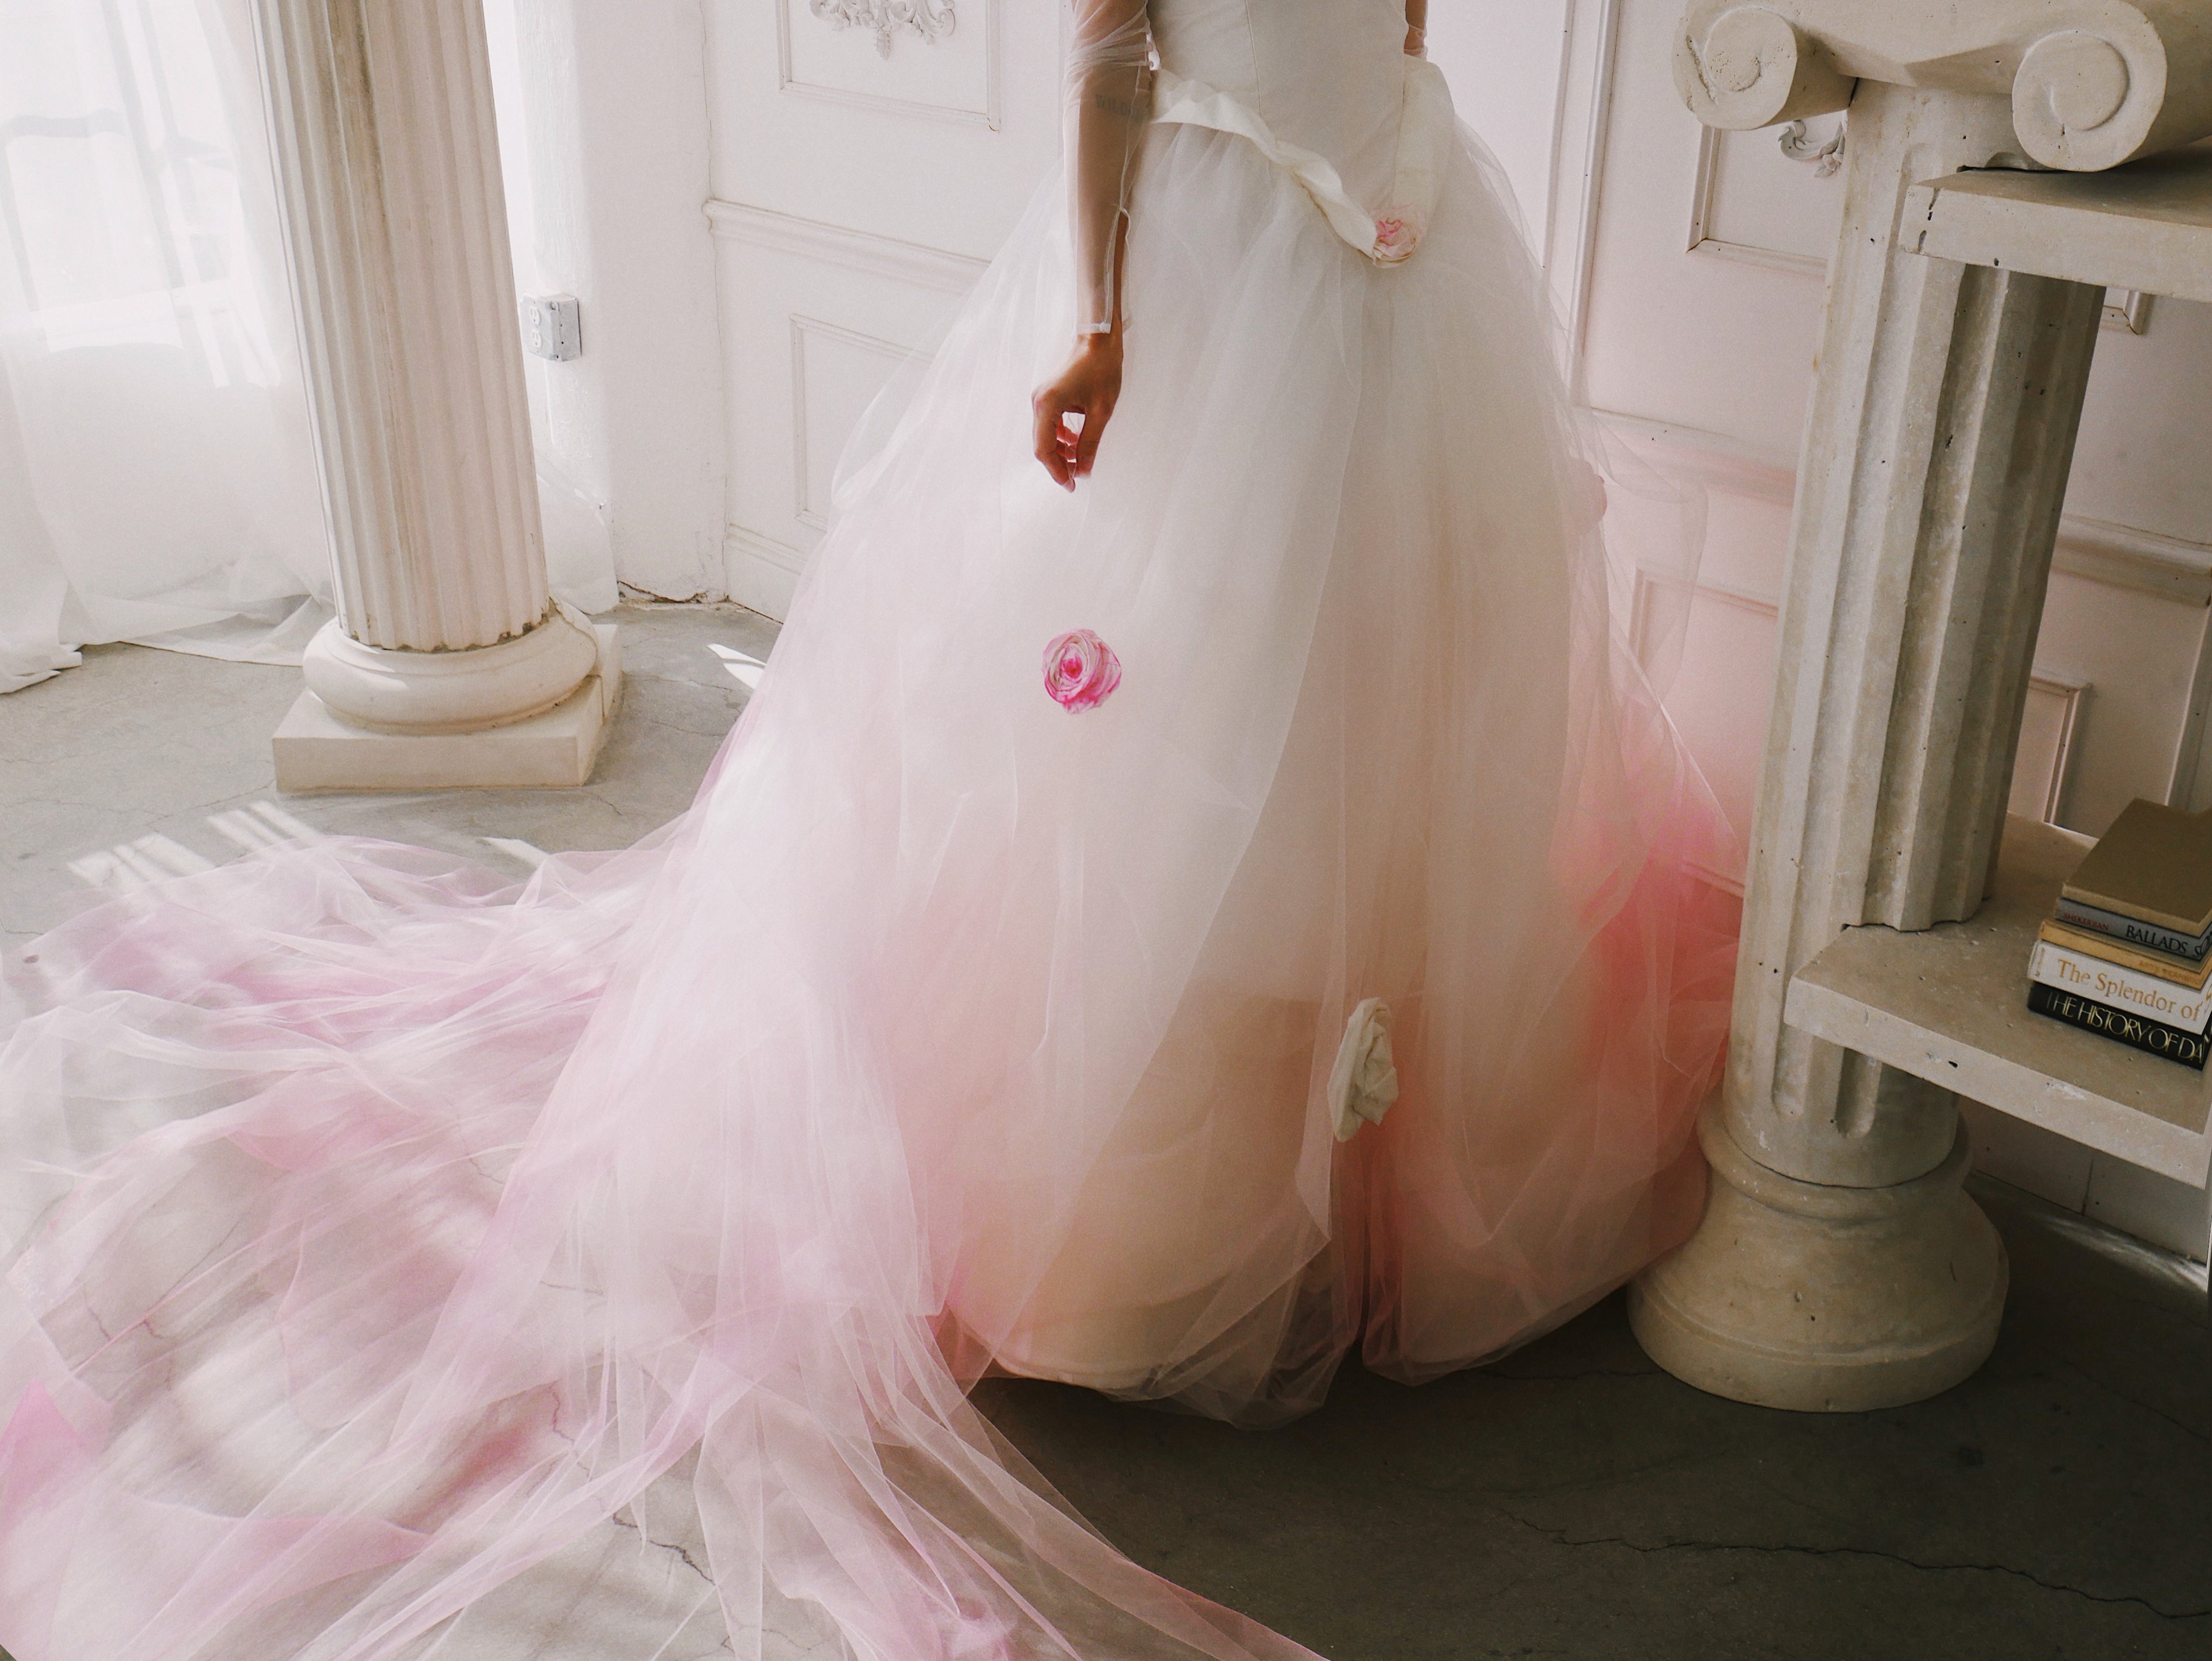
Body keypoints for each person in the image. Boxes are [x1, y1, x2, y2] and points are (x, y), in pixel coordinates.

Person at [0, 1, 1736, 1656]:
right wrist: (1107, 321)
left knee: (1361, 696)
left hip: (1388, 259)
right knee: (1202, 712)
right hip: (1273, 253)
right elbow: (1117, 56)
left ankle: (1351, 1177)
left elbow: (1366, 32)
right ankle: (1161, 1217)